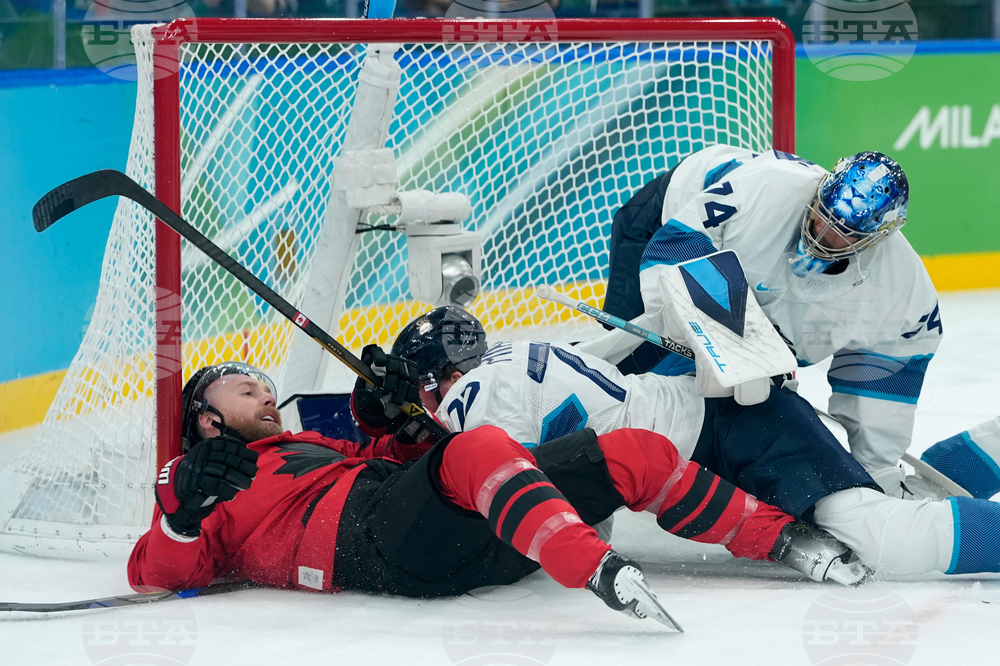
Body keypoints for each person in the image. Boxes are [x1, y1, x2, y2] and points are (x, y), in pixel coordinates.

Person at [129, 362, 860, 630]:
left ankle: (790, 541)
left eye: (259, 377)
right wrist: (182, 513)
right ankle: (598, 568)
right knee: (477, 449)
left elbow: (401, 463)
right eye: (238, 381)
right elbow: (157, 574)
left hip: (465, 534)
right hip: (376, 553)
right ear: (205, 417)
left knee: (634, 454)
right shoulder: (199, 484)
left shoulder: (309, 447)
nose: (260, 384)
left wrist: (399, 418)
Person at [359, 306, 1000, 579]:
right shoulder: (512, 352)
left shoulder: (475, 393)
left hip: (736, 438)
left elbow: (494, 485)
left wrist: (410, 424)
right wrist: (412, 422)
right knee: (891, 496)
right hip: (720, 425)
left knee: (877, 534)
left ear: (432, 380)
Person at [599, 145, 941, 498]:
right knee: (634, 363)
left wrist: (876, 466)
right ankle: (588, 446)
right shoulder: (765, 191)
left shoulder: (903, 288)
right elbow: (676, 247)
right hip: (660, 220)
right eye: (824, 213)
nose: (823, 232)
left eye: (844, 232)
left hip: (752, 276)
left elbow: (889, 369)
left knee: (739, 395)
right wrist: (717, 342)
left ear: (878, 237)